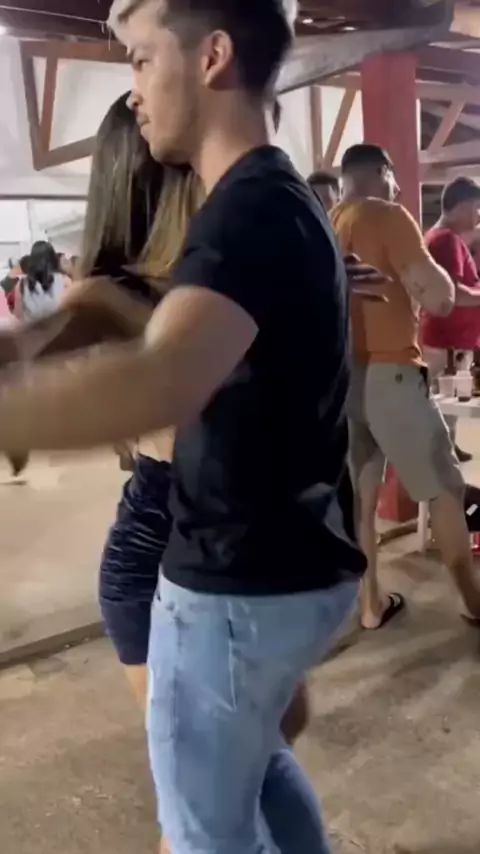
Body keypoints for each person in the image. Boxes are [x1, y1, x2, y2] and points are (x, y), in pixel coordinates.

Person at [0, 1, 367, 852]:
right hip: (294, 566)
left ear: (212, 57)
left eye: (139, 58)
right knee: (261, 769)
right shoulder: (272, 202)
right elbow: (176, 350)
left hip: (234, 583)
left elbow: (161, 381)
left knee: (204, 835)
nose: (132, 89)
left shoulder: (247, 213)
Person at [331, 142, 480, 632]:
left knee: (363, 500)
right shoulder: (388, 215)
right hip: (392, 374)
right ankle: (474, 603)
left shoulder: (328, 221)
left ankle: (371, 604)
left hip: (346, 379)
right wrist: (443, 285)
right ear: (383, 172)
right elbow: (438, 297)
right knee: (445, 488)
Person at [422, 176, 480, 463]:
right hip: (447, 342)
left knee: (446, 406)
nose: (478, 215)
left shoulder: (438, 236)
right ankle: (444, 465)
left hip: (446, 340)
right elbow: (454, 293)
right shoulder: (446, 240)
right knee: (444, 405)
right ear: (461, 206)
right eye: (476, 208)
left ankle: (448, 455)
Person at [14, 241, 67, 321]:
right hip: (58, 327)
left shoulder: (21, 284)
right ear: (53, 258)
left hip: (32, 328)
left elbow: (18, 316)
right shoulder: (65, 280)